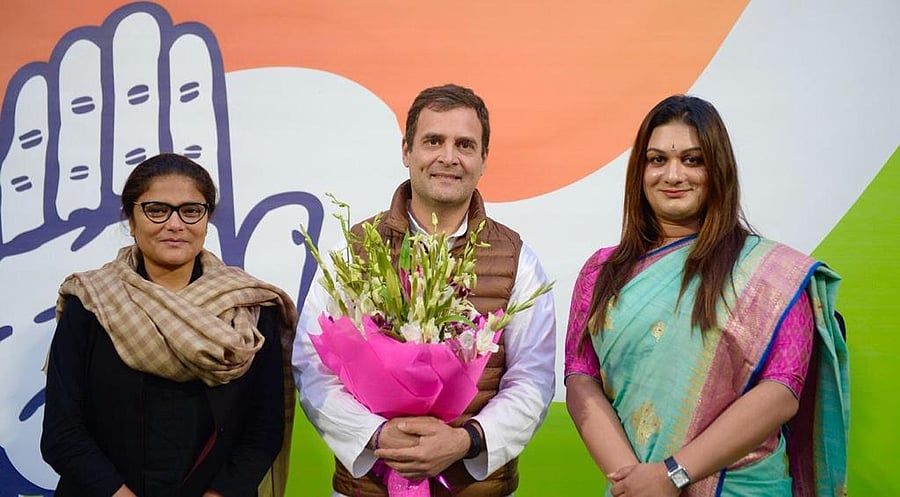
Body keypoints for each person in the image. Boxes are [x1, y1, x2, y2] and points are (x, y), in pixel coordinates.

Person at [564, 95, 849, 496]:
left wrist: (672, 475)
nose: (673, 175)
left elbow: (783, 389)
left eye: (693, 160)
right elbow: (580, 376)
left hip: (742, 487)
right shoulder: (601, 272)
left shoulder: (771, 275)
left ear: (718, 170)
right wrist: (636, 481)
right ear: (639, 171)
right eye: (657, 160)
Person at [292, 84, 556, 496]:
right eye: (433, 141)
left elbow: (532, 379)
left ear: (484, 160)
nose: (448, 157)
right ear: (406, 151)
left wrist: (466, 439)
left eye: (465, 145)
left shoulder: (516, 260)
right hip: (369, 486)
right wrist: (376, 436)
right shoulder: (355, 249)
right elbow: (313, 366)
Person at [41, 153, 299, 497]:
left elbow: (263, 430)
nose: (175, 224)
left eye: (191, 210)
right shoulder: (90, 303)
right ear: (131, 220)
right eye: (156, 210)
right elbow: (62, 432)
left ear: (207, 219)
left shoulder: (250, 308)